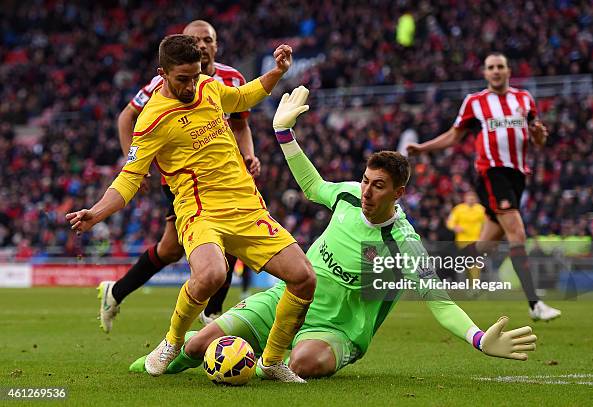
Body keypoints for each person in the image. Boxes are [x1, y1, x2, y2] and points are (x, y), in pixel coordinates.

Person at [129, 86, 537, 378]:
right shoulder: (346, 196)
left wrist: (479, 338)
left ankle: (263, 359)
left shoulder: (404, 244)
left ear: (399, 192)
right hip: (285, 300)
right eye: (364, 180)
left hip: (338, 328)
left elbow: (440, 303)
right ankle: (169, 359)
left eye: (378, 186)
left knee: (304, 363)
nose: (366, 191)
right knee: (199, 345)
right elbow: (312, 186)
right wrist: (285, 136)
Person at [67, 35, 316, 382]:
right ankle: (171, 341)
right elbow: (128, 178)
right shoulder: (152, 120)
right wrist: (96, 212)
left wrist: (276, 71)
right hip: (200, 212)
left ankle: (272, 361)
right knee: (212, 274)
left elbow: (244, 96)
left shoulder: (209, 88)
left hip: (247, 207)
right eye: (182, 79)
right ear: (162, 73)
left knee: (304, 278)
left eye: (195, 76)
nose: (190, 85)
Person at [98, 20, 258, 334]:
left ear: (216, 44)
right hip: (182, 178)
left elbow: (240, 124)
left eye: (207, 40)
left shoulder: (232, 78)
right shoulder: (166, 84)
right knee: (188, 246)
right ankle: (211, 314)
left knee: (176, 248)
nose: (202, 46)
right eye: (195, 40)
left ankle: (117, 293)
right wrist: (134, 159)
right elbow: (126, 117)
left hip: (223, 174)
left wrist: (249, 153)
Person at [407, 53, 561, 321]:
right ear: (485, 73)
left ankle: (429, 274)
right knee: (517, 231)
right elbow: (455, 135)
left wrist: (539, 136)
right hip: (491, 173)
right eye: (491, 67)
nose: (496, 71)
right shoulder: (475, 103)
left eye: (500, 66)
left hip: (517, 175)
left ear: (508, 70)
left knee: (485, 245)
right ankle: (534, 303)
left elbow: (538, 139)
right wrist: (423, 148)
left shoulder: (524, 99)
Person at [447, 191, 485, 282]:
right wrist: (455, 227)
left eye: (473, 197)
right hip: (462, 242)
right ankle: (466, 284)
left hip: (476, 241)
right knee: (465, 264)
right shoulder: (458, 209)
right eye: (469, 197)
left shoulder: (481, 209)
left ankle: (474, 284)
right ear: (465, 198)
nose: (471, 199)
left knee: (475, 263)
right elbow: (450, 222)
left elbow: (487, 224)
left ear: (476, 199)